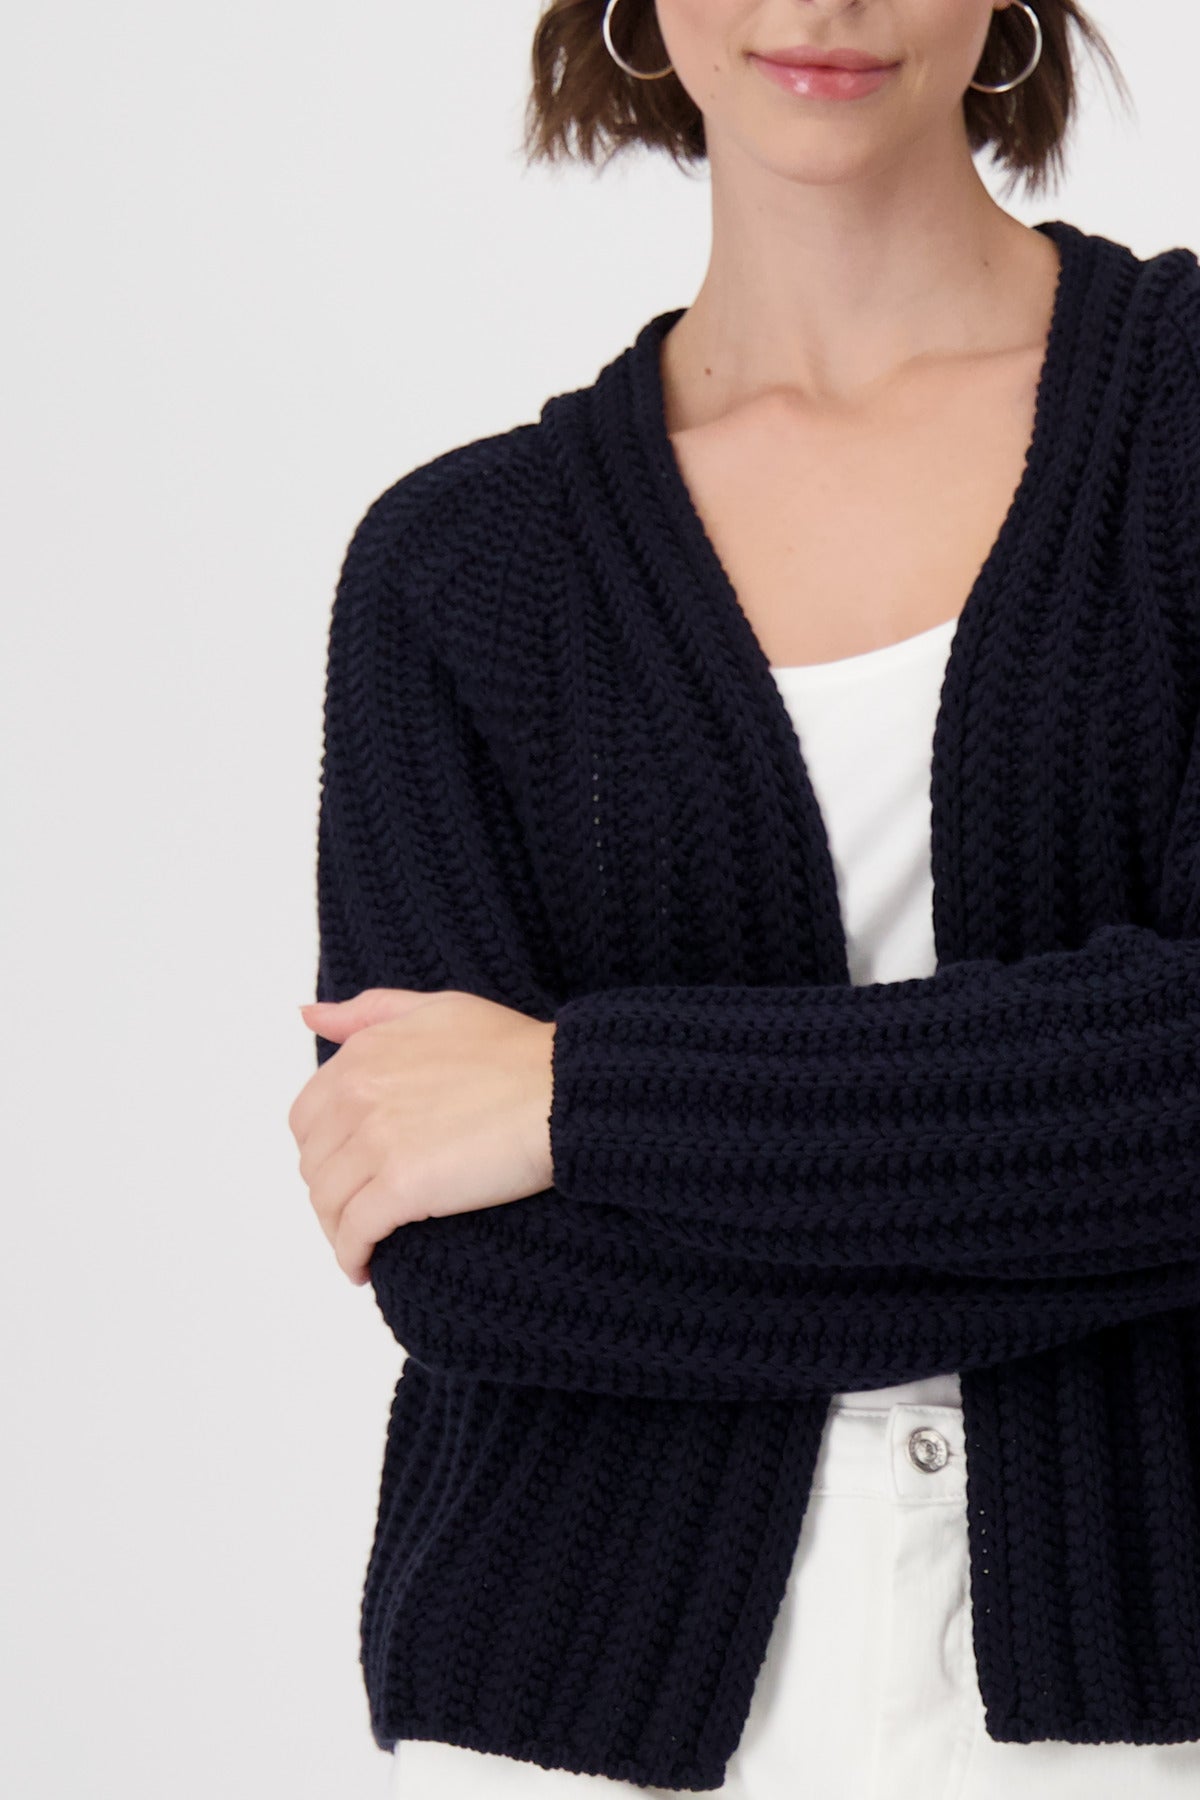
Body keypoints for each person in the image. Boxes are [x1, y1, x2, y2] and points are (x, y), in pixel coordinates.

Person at [289, 2, 1200, 1794]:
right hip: (573, 1707)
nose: (822, 3)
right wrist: (1094, 1181)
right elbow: (464, 1266)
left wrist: (577, 1099)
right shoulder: (458, 567)